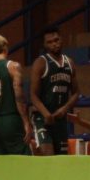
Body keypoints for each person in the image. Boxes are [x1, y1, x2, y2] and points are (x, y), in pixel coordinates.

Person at [29, 25, 79, 156]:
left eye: (56, 40)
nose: (54, 44)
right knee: (48, 154)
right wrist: (46, 113)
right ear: (45, 45)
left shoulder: (70, 63)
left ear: (61, 39)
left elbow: (76, 93)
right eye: (50, 42)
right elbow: (33, 95)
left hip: (60, 119)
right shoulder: (40, 63)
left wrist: (65, 109)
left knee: (61, 159)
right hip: (42, 118)